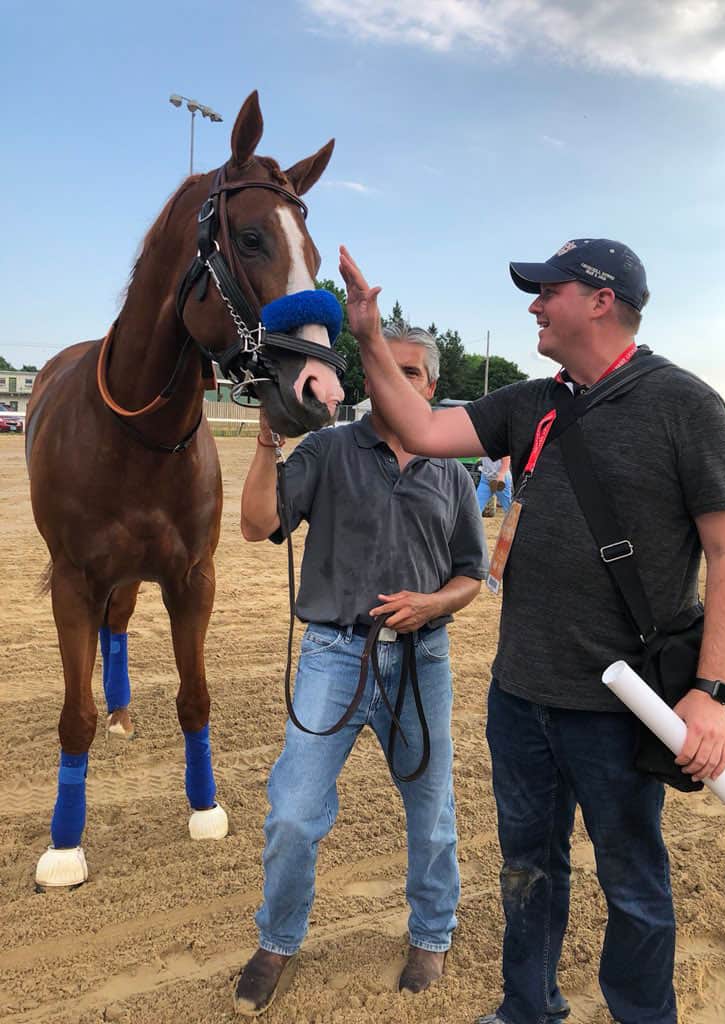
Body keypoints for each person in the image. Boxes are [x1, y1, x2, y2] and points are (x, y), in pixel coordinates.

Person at [339, 240, 725, 1024]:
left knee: (633, 882)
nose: (532, 304)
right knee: (527, 870)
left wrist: (710, 692)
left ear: (601, 300)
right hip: (520, 696)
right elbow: (420, 427)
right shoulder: (530, 403)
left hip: (624, 709)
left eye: (547, 291)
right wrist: (367, 338)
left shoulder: (684, 405)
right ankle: (526, 1008)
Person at [233, 322, 488, 1016]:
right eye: (383, 369)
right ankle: (277, 941)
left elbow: (472, 574)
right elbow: (256, 524)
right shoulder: (327, 449)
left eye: (410, 372)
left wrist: (434, 603)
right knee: (293, 814)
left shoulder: (453, 473)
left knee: (431, 812)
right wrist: (267, 440)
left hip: (421, 661)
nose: (395, 382)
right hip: (334, 654)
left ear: (431, 386)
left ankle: (431, 933)